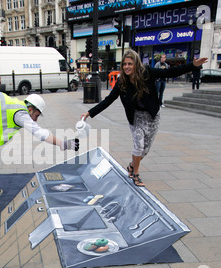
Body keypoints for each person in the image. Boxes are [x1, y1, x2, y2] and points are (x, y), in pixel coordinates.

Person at [81, 49, 207, 187]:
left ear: (136, 64)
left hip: (152, 116)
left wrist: (193, 65)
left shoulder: (147, 73)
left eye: (130, 64)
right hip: (136, 117)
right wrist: (89, 113)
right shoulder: (122, 82)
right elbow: (108, 100)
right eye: (124, 64)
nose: (127, 67)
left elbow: (169, 73)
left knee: (145, 150)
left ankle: (131, 166)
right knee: (139, 145)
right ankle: (135, 173)